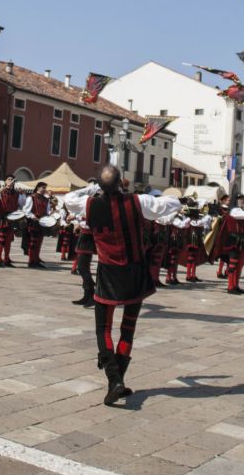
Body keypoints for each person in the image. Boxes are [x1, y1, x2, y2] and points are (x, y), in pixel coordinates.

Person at [65, 165, 181, 405]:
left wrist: (92, 188)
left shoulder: (89, 204)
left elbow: (69, 198)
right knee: (128, 328)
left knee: (103, 328)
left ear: (100, 185)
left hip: (109, 272)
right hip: (135, 271)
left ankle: (114, 380)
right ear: (121, 183)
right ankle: (117, 381)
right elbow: (172, 205)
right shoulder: (138, 201)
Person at [209, 193, 244, 294]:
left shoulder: (242, 210)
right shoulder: (233, 210)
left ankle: (236, 285)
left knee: (240, 264)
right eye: (239, 199)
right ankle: (230, 287)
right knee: (233, 264)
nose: (242, 201)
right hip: (234, 240)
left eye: (242, 199)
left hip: (243, 240)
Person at [0, 176, 25, 268]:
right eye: (9, 179)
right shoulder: (0, 192)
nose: (11, 181)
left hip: (12, 219)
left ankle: (7, 259)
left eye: (12, 180)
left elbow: (22, 203)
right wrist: (1, 190)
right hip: (2, 218)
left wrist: (23, 194)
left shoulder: (16, 194)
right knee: (1, 240)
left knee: (8, 241)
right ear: (5, 181)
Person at [22, 181, 50, 269]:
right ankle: (31, 261)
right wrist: (34, 217)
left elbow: (47, 211)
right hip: (34, 222)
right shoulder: (32, 197)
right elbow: (26, 210)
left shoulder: (46, 199)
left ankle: (36, 260)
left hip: (42, 223)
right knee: (33, 242)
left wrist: (49, 216)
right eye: (43, 187)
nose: (44, 189)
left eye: (45, 188)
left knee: (39, 242)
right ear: (38, 188)